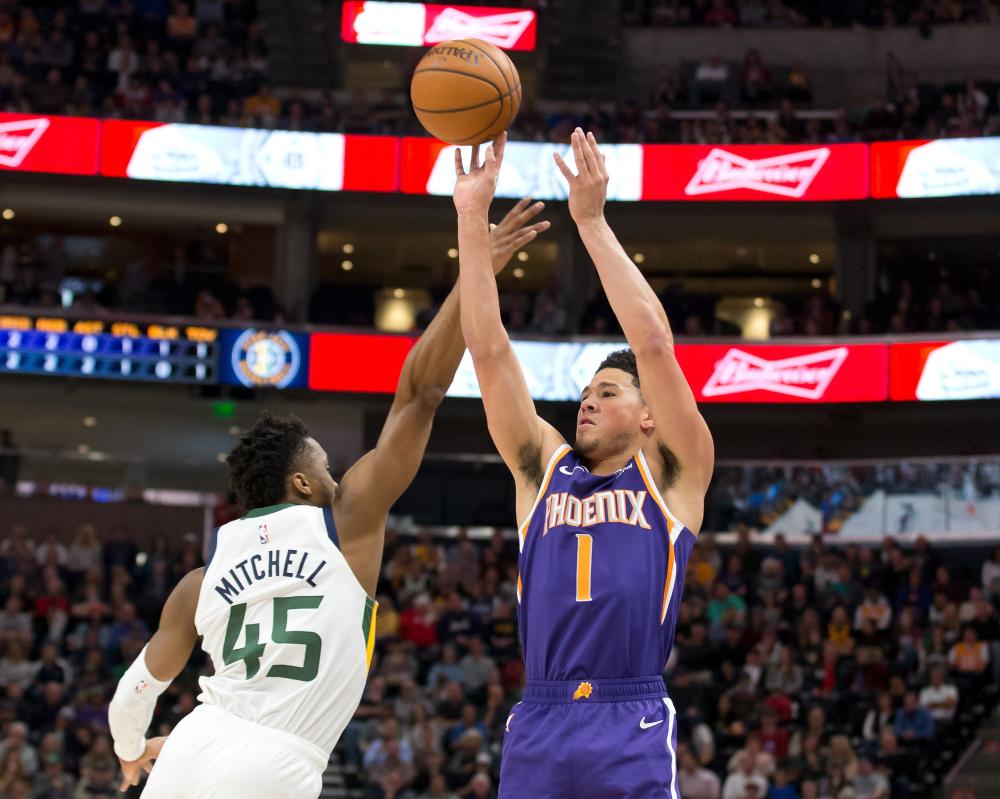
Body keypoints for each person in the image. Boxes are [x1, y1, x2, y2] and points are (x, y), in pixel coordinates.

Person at [107, 201, 549, 799]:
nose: (335, 471)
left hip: (191, 746)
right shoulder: (344, 524)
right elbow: (422, 392)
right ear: (302, 484)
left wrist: (133, 752)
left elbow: (130, 698)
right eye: (322, 461)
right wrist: (477, 270)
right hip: (276, 764)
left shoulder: (199, 580)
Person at [455, 128, 713, 798]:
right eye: (583, 394)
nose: (587, 405)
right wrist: (469, 220)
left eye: (608, 392)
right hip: (540, 715)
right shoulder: (544, 470)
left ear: (649, 413)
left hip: (630, 716)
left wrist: (592, 223)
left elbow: (654, 343)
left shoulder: (672, 474)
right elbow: (487, 353)